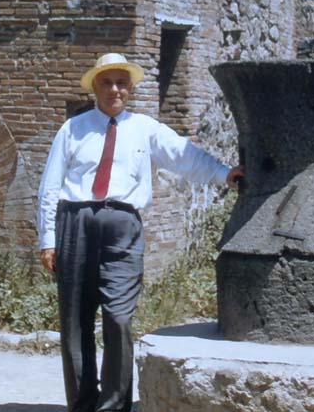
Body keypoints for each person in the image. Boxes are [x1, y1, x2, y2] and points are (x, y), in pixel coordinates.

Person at [38, 52, 243, 412]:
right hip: (75, 223)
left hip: (123, 228)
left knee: (118, 316)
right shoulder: (73, 129)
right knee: (75, 321)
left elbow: (183, 154)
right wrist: (48, 240)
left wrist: (223, 173)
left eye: (121, 83)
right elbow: (50, 186)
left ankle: (114, 405)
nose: (114, 89)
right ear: (95, 88)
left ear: (130, 89)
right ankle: (83, 404)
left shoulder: (144, 128)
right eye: (107, 82)